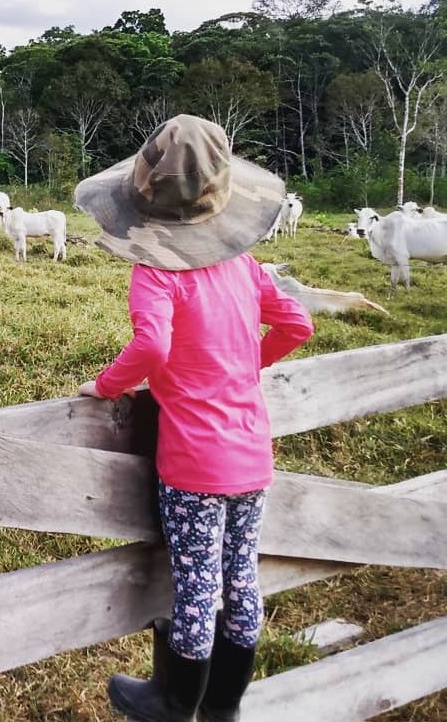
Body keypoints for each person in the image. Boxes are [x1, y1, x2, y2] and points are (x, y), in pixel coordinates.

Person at [73, 114, 314, 722]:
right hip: (253, 457)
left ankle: (173, 701)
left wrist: (106, 385)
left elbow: (152, 347)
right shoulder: (245, 267)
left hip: (194, 465)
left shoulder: (154, 271)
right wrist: (241, 367)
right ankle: (225, 706)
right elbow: (298, 323)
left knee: (198, 586)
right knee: (241, 580)